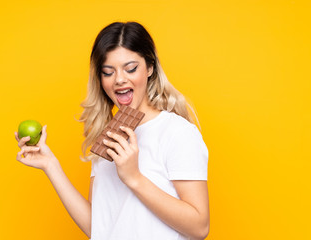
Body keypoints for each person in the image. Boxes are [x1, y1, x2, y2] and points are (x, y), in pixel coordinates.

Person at [15, 21, 210, 240]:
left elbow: (199, 227)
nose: (119, 79)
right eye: (108, 72)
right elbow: (98, 226)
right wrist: (50, 165)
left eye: (131, 69)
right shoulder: (108, 137)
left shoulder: (177, 132)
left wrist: (134, 177)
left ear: (150, 68)